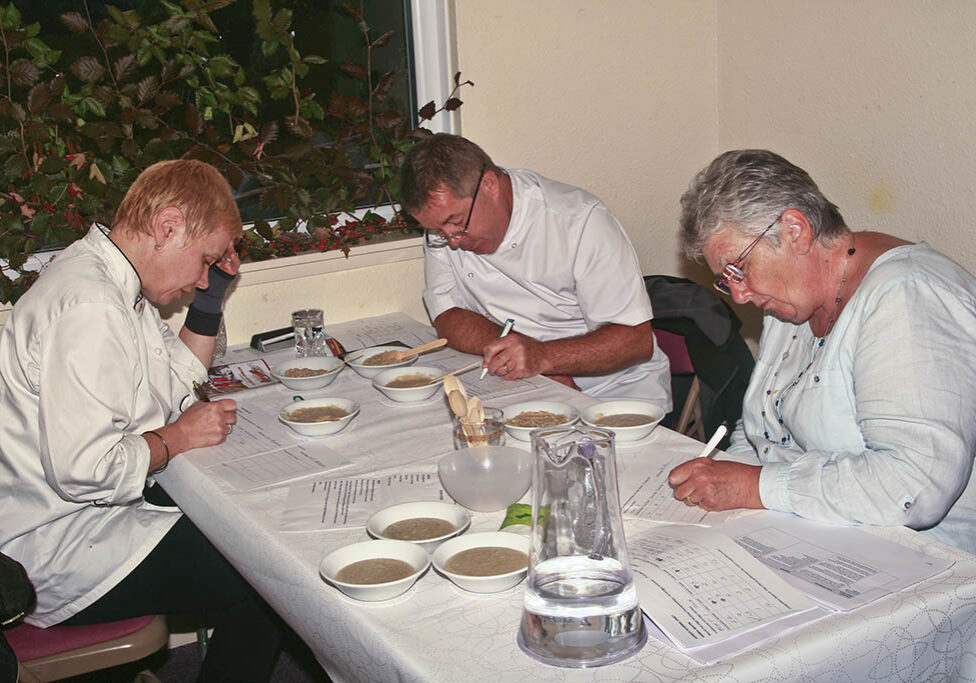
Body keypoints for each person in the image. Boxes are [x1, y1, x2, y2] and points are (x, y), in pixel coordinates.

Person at [0, 160, 284, 680]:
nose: (202, 274)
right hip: (52, 548)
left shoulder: (108, 275)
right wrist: (176, 437)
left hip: (83, 516)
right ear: (168, 225)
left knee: (254, 519)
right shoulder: (91, 306)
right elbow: (85, 469)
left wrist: (209, 299)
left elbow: (172, 381)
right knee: (269, 583)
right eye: (203, 259)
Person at [668, 149, 976, 553]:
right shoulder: (794, 301)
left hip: (928, 560)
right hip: (820, 537)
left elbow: (913, 486)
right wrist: (722, 479)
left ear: (795, 230)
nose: (739, 295)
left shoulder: (909, 296)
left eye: (738, 269)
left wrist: (753, 486)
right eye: (727, 280)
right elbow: (764, 425)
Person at [400, 133, 672, 409]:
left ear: (490, 186)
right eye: (436, 231)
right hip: (527, 382)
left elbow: (634, 341)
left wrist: (543, 357)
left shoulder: (578, 221)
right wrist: (520, 354)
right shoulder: (445, 230)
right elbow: (448, 316)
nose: (452, 241)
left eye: (457, 223)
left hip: (614, 390)